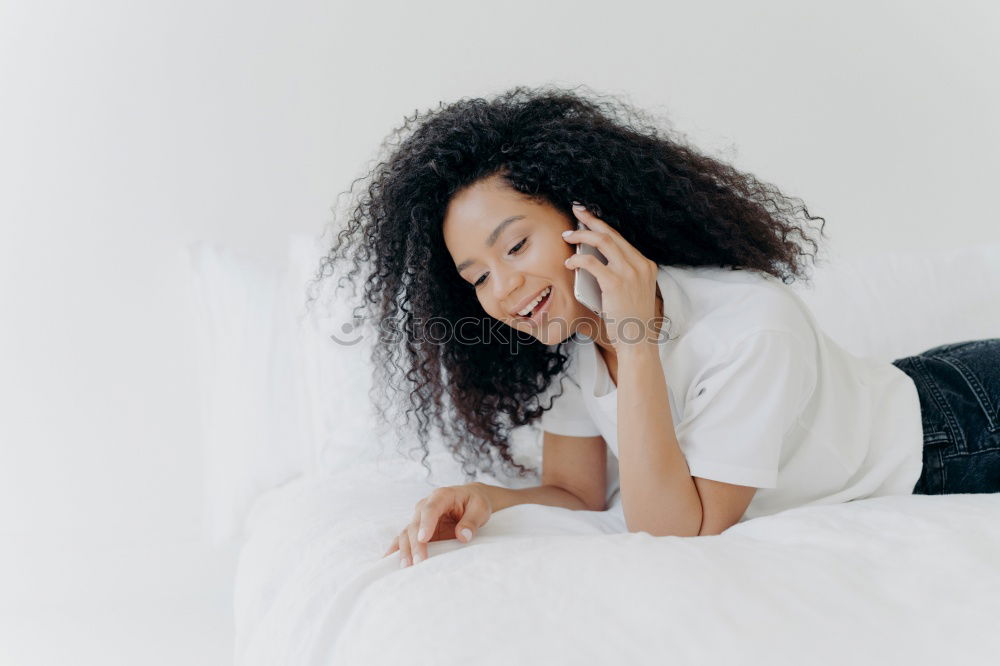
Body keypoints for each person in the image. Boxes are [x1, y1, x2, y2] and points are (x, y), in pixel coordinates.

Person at [308, 85, 1000, 570]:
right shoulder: (578, 340)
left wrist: (635, 340)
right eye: (478, 276)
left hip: (961, 429)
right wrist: (485, 498)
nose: (504, 288)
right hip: (923, 390)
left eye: (515, 246)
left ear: (588, 220)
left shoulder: (753, 326)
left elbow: (676, 530)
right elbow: (580, 494)